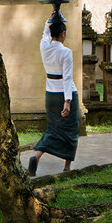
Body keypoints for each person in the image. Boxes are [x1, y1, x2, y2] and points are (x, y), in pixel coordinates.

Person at [28, 16, 78, 175]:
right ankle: (67, 166)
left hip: (50, 94)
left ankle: (36, 156)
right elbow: (67, 77)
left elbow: (45, 33)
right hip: (65, 94)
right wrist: (68, 101)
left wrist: (52, 16)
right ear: (63, 34)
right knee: (70, 129)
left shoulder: (44, 46)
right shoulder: (66, 52)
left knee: (52, 128)